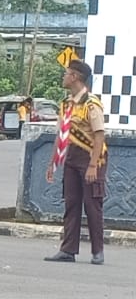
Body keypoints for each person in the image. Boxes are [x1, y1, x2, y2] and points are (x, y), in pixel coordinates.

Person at [44, 59, 107, 264]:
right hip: (72, 157)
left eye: (67, 73)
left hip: (91, 157)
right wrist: (53, 162)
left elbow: (99, 136)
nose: (64, 77)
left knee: (92, 205)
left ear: (75, 77)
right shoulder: (66, 104)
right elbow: (61, 134)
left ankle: (98, 251)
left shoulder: (91, 104)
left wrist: (92, 165)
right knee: (71, 203)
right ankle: (68, 249)